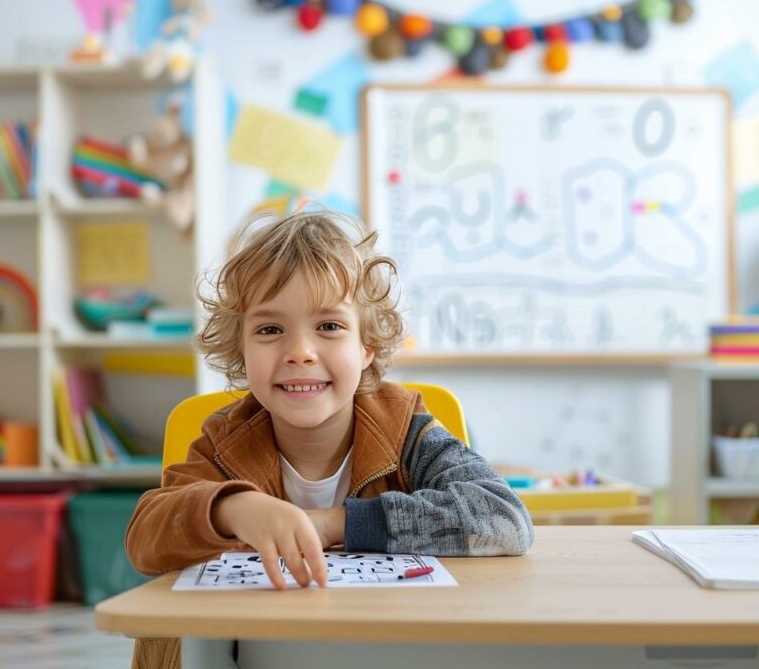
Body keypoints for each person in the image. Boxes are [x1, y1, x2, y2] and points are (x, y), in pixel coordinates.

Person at [126, 207, 535, 586]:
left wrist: (334, 524)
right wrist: (230, 509)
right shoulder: (225, 440)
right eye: (269, 330)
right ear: (241, 349)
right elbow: (144, 539)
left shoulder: (405, 430)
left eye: (329, 326)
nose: (300, 352)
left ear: (366, 346)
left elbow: (505, 519)